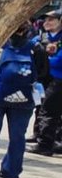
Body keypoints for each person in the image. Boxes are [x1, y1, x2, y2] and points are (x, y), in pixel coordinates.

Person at [0, 22, 47, 178]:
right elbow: (43, 72)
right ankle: (11, 172)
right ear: (27, 30)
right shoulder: (36, 48)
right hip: (24, 99)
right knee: (18, 136)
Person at [30, 9, 61, 156]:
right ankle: (40, 136)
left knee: (49, 111)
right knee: (41, 108)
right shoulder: (41, 36)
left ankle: (45, 144)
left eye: (51, 19)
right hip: (43, 78)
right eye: (46, 20)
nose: (47, 22)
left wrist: (47, 59)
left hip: (57, 79)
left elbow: (58, 61)